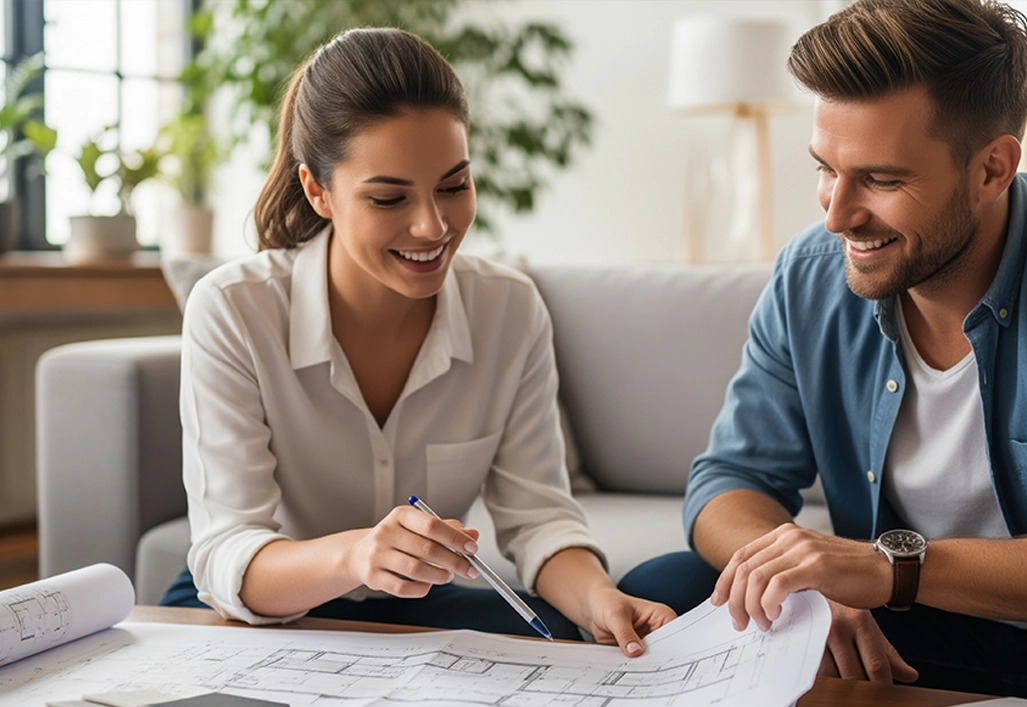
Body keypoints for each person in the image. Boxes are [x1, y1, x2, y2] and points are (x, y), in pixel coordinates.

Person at [617, 0, 1027, 707]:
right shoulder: (810, 275)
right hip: (909, 630)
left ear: (992, 168)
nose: (837, 214)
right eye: (825, 168)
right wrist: (805, 577)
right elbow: (729, 481)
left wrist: (887, 569)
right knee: (673, 587)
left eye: (881, 179)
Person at [160, 27, 673, 655]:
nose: (433, 226)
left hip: (415, 608)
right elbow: (227, 550)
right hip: (260, 611)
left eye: (454, 186)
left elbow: (539, 519)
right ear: (317, 190)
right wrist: (357, 555)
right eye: (388, 197)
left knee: (577, 640)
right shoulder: (235, 309)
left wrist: (600, 601)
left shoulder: (508, 310)